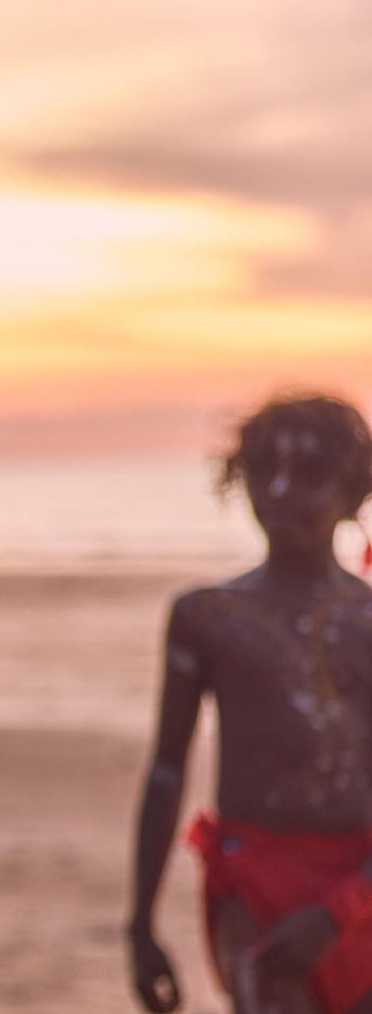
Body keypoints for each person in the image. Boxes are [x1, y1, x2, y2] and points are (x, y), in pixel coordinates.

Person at [128, 394, 372, 1014]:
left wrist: (340, 911)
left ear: (356, 492)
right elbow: (167, 770)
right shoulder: (207, 617)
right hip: (251, 878)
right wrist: (140, 923)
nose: (281, 490)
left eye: (311, 473)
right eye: (265, 470)